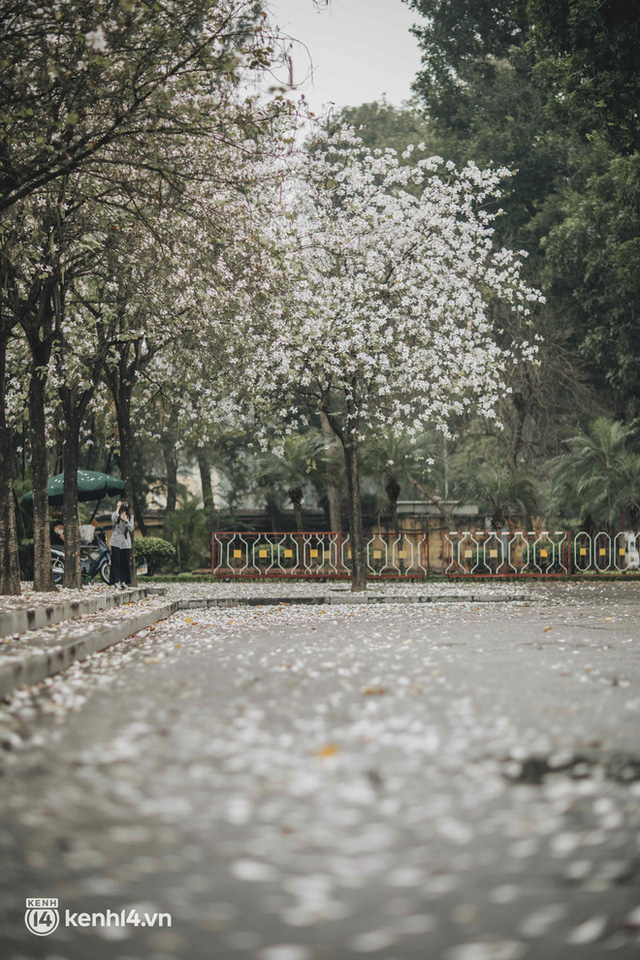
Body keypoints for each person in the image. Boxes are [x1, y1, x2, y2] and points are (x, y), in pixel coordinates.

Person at [109, 499, 134, 588]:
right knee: (115, 562)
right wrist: (117, 507)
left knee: (125, 562)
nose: (124, 510)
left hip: (126, 542)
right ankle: (115, 581)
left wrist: (126, 521)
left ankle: (123, 582)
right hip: (116, 541)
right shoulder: (117, 515)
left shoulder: (130, 517)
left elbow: (131, 529)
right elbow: (113, 519)